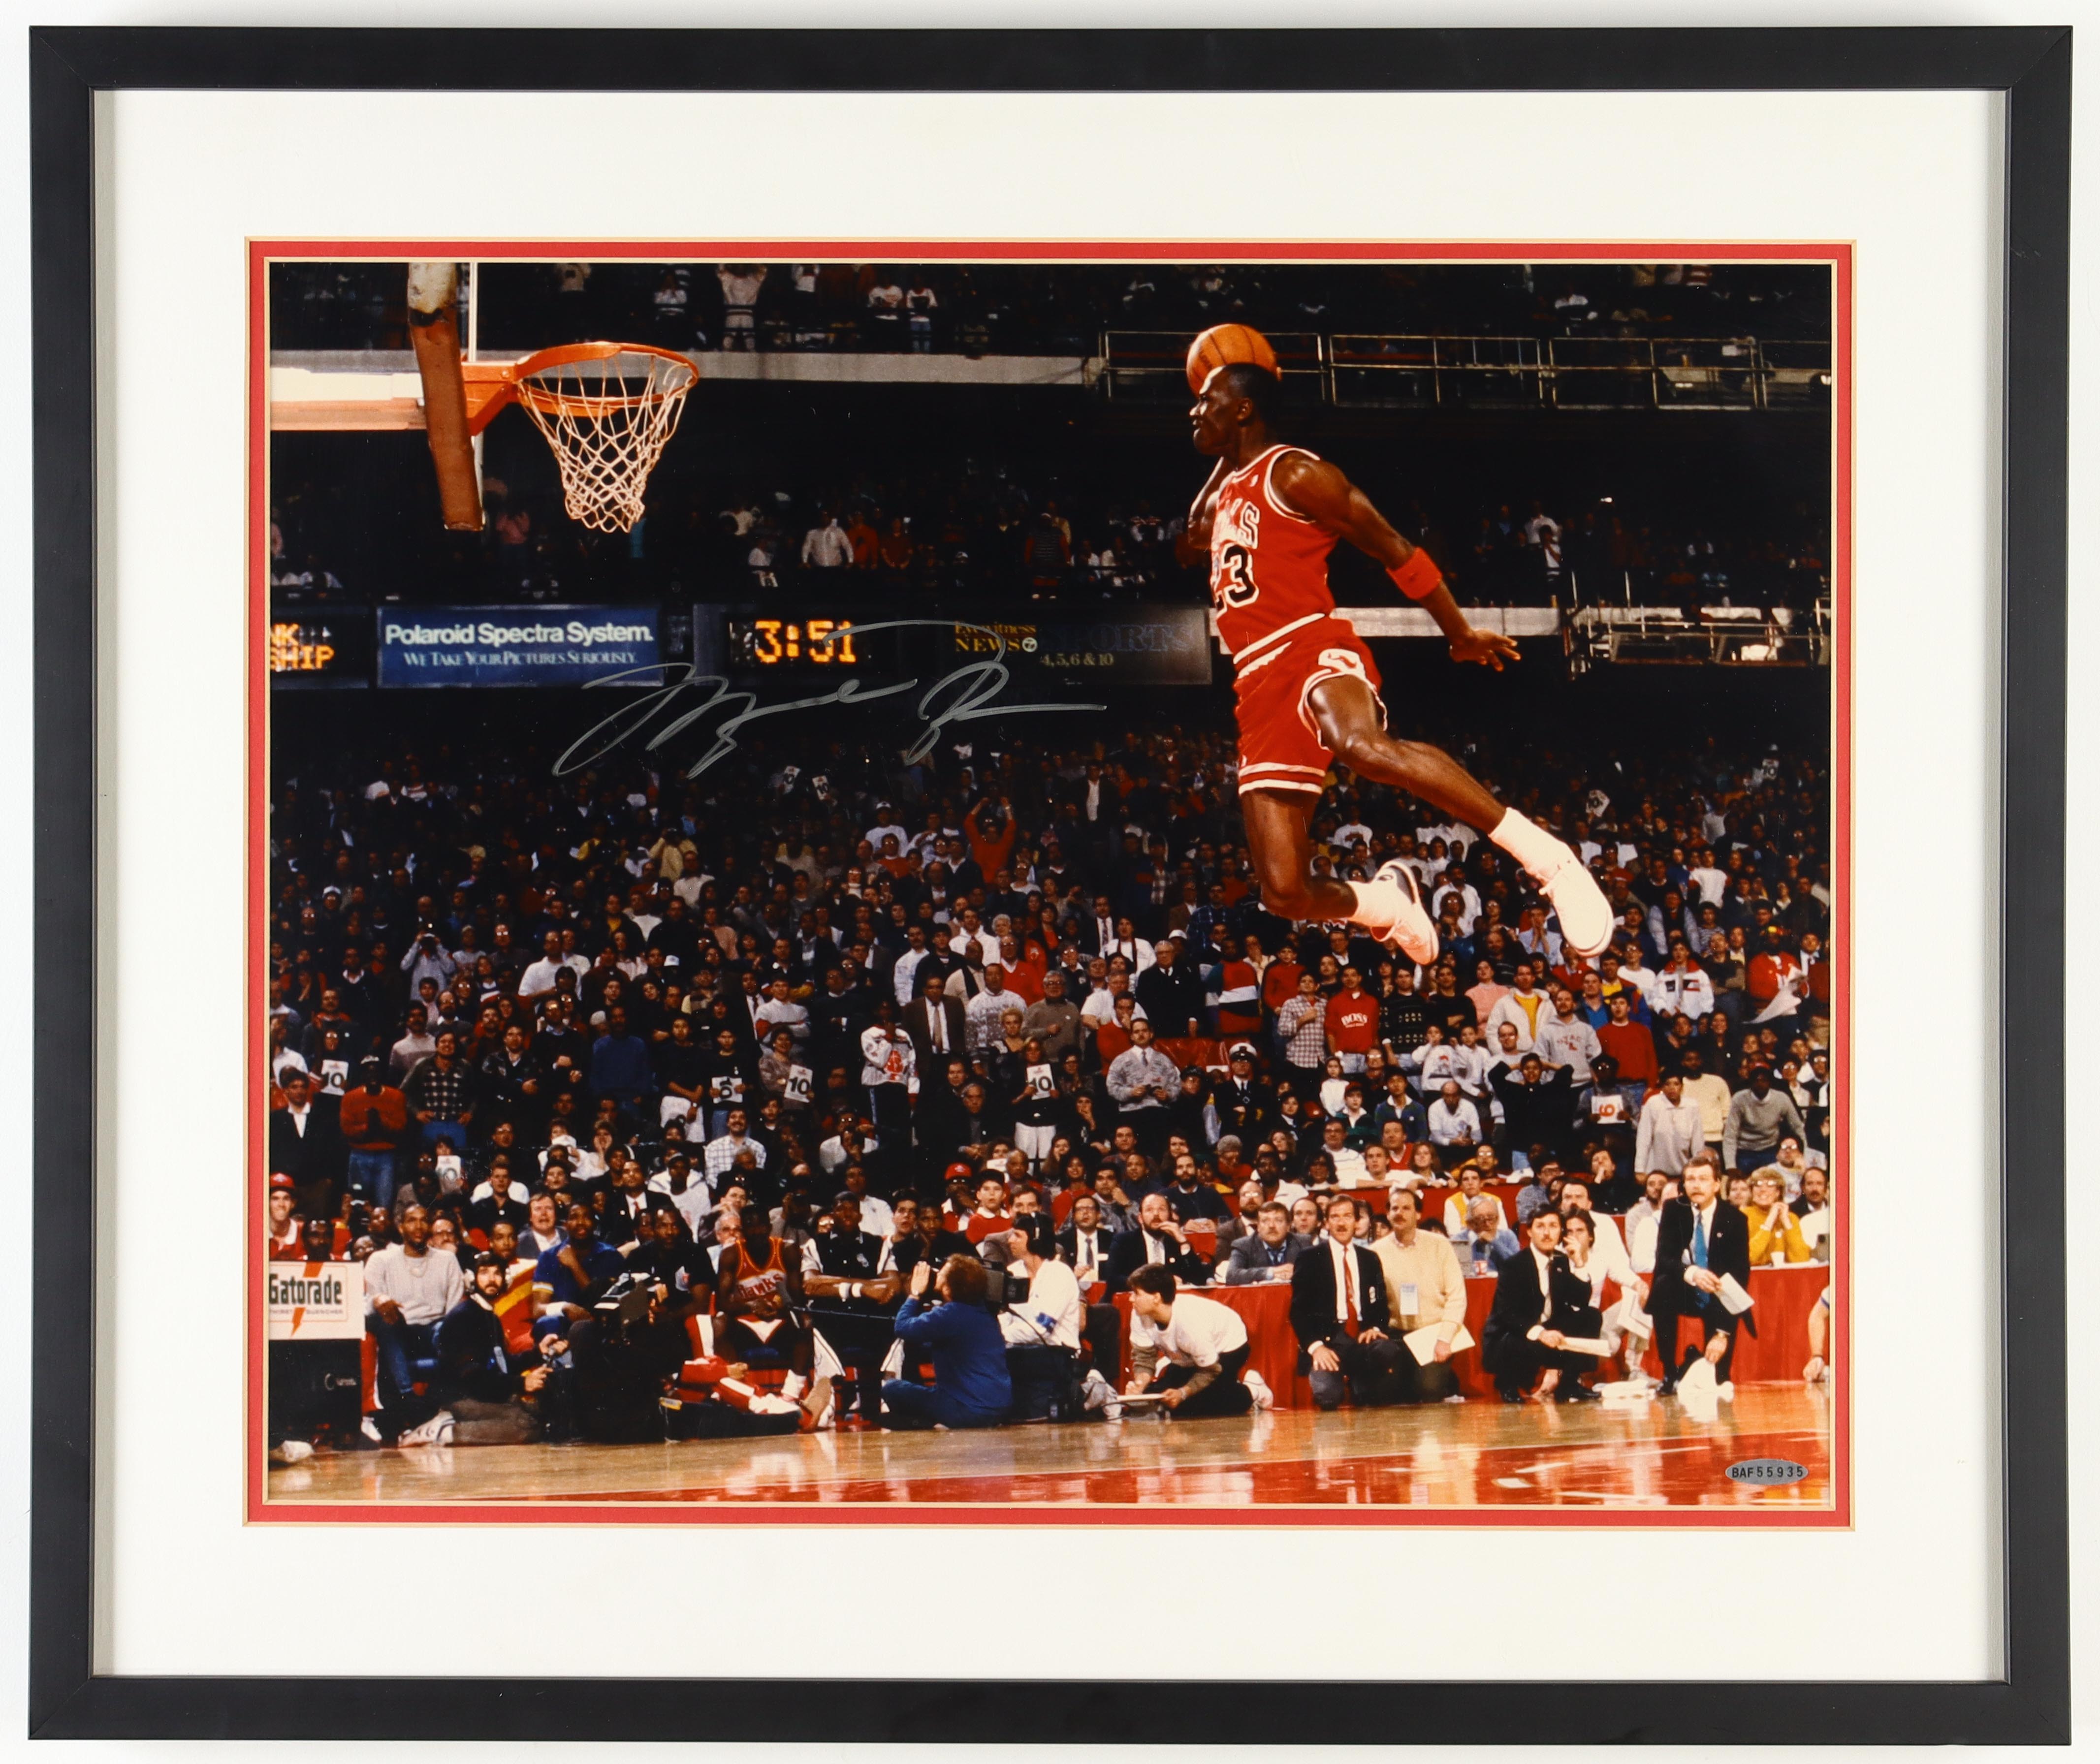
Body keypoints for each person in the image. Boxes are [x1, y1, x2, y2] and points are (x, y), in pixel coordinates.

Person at [1177, 347, 1611, 969]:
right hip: (1254, 678)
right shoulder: (1228, 488)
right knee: (1284, 893)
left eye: (1207, 400)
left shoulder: (1295, 473)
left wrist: (1458, 632)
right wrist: (1228, 448)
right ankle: (1386, 904)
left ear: (1244, 409)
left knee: (1361, 745)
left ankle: (1548, 858)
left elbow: (1393, 546)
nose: (1194, 410)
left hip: (1308, 643)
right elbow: (1191, 539)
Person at [419, 1250, 563, 1447]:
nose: (492, 1279)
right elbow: (472, 1378)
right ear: (472, 1279)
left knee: (535, 1412)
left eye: (497, 1273)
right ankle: (445, 1431)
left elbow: (501, 1364)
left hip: (480, 1393)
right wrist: (522, 1383)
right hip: (458, 1398)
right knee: (527, 1425)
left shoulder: (490, 1317)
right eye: (484, 1273)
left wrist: (538, 1352)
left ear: (506, 1280)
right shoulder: (464, 1316)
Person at [1288, 1192, 1409, 1409]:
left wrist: (1375, 1327)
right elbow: (1298, 1312)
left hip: (1362, 1339)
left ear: (1357, 1222)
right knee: (1328, 1396)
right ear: (1326, 1223)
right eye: (1335, 1217)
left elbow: (1381, 1304)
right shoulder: (1309, 1258)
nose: (1342, 1223)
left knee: (1387, 1350)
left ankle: (1362, 1383)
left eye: (1347, 1216)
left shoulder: (1370, 1258)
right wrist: (1316, 1347)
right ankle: (1348, 1382)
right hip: (1328, 1341)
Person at [1648, 1153, 1755, 1391]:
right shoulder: (1673, 1210)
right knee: (1663, 1284)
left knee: (1718, 1381)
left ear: (1717, 1185)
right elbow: (1664, 1259)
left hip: (1720, 1294)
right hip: (1686, 1289)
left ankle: (1703, 1361)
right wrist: (1693, 1273)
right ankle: (1669, 1371)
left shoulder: (1735, 1219)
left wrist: (1723, 1334)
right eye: (1691, 1179)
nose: (1696, 1185)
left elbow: (1739, 1277)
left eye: (1703, 1179)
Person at [362, 1200, 463, 1438]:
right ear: (400, 1227)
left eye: (423, 1221)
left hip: (436, 1329)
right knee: (385, 1320)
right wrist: (380, 1300)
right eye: (411, 1221)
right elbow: (369, 1302)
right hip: (399, 1330)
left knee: (450, 1327)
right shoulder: (381, 1259)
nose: (418, 1227)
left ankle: (438, 1404)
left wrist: (448, 1329)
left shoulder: (447, 1260)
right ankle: (408, 1396)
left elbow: (455, 1308)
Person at [1481, 1208, 1600, 1403]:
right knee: (1518, 1338)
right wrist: (1542, 1333)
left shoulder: (1561, 1260)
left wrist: (1579, 1262)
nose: (1547, 1233)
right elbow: (1508, 1315)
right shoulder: (1514, 1265)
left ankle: (1569, 1384)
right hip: (1514, 1335)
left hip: (1546, 1331)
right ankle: (1508, 1383)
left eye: (1553, 1226)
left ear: (1561, 1232)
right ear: (1529, 1231)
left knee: (1591, 1316)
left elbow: (1581, 1301)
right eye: (1540, 1226)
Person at [882, 1255, 1012, 1430]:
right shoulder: (986, 1313)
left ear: (949, 1287)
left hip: (967, 1411)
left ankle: (921, 1421)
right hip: (999, 1409)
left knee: (892, 1389)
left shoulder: (950, 1313)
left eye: (941, 1274)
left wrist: (915, 1294)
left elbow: (903, 1328)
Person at [1124, 1265, 1268, 1417]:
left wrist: (1183, 1393)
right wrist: (1140, 1386)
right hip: (1189, 1356)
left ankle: (1255, 1390)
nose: (1131, 1298)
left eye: (1137, 1294)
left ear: (1156, 1298)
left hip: (1228, 1349)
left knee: (1193, 1405)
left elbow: (1210, 1370)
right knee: (1160, 1396)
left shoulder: (1190, 1323)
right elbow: (1145, 1357)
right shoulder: (1139, 1313)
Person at [1367, 1186, 1466, 1400]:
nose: (1399, 1213)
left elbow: (1457, 1297)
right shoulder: (1376, 1251)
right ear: (1388, 1214)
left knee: (1428, 1391)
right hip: (1395, 1335)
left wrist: (1445, 1339)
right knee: (1386, 1394)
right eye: (1394, 1209)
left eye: (1406, 1208)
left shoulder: (1440, 1245)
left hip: (1433, 1333)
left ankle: (1444, 1379)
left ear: (1418, 1214)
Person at [998, 1217, 1086, 1419]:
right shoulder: (1012, 1272)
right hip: (1016, 1351)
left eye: (1017, 1235)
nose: (1010, 1240)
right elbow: (1002, 1318)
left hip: (1057, 1354)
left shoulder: (1059, 1274)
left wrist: (1002, 1336)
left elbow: (1041, 1330)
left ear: (1035, 1239)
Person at [1103, 1191, 1211, 1292]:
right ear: (1140, 1218)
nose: (1156, 1214)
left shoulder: (1176, 1243)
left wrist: (1183, 1242)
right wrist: (1154, 1283)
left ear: (1170, 1216)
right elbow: (1113, 1279)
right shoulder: (1124, 1241)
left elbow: (1200, 1280)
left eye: (1162, 1209)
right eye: (1149, 1210)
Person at [1222, 1199, 1303, 1285]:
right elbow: (1232, 1276)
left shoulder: (1303, 1243)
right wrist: (1270, 1272)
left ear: (1288, 1226)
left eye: (1278, 1221)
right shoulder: (1243, 1246)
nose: (1272, 1226)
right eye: (1265, 1221)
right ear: (1258, 1227)